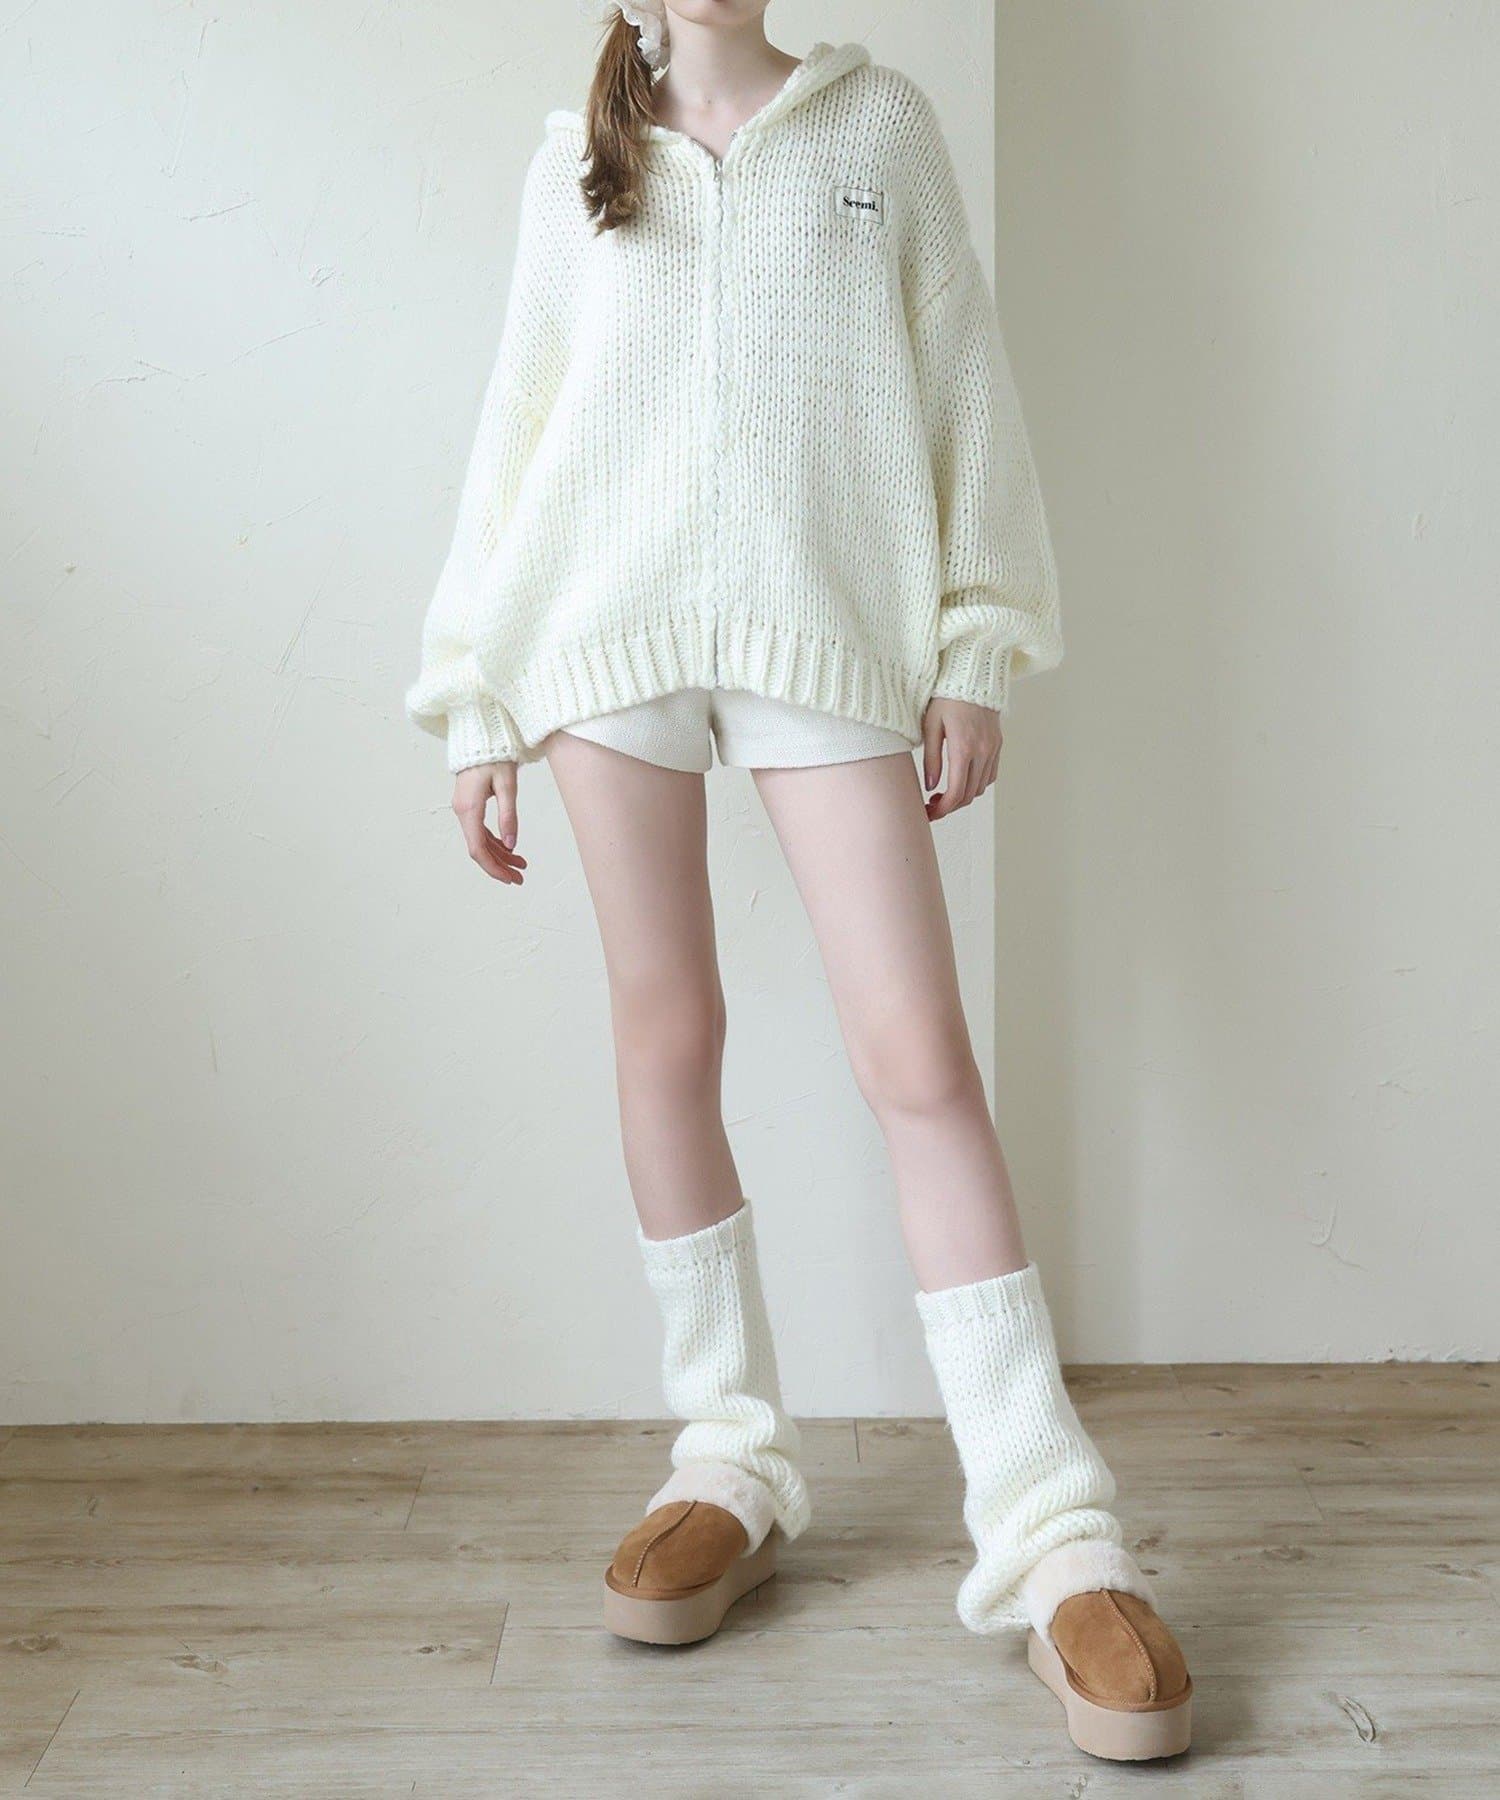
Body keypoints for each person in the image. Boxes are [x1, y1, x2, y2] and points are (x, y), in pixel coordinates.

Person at [407, 0, 1191, 1762]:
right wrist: (473, 697)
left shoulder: (877, 131)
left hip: (826, 627)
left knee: (918, 1057)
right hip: (601, 638)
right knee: (665, 1034)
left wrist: (975, 644)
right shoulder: (576, 164)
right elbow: (517, 427)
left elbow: (964, 386)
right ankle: (730, 1456)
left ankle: (1052, 1531)